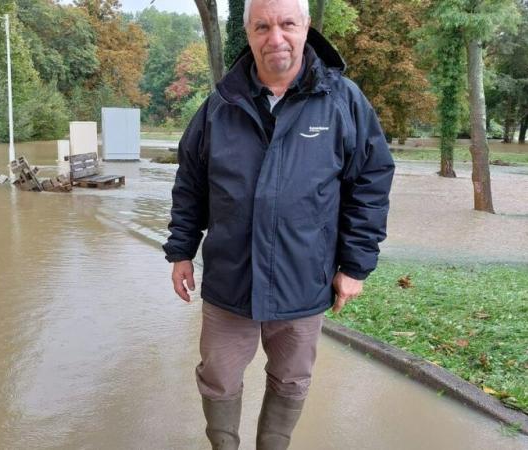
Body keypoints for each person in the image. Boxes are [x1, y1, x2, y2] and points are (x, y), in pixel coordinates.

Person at [162, 0, 395, 448]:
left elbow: (370, 181)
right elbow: (190, 182)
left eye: (288, 24)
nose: (275, 38)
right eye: (262, 26)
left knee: (291, 381)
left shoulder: (343, 100)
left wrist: (356, 265)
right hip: (230, 282)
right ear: (248, 33)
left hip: (304, 281)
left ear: (306, 27)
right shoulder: (218, 106)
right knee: (218, 378)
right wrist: (180, 251)